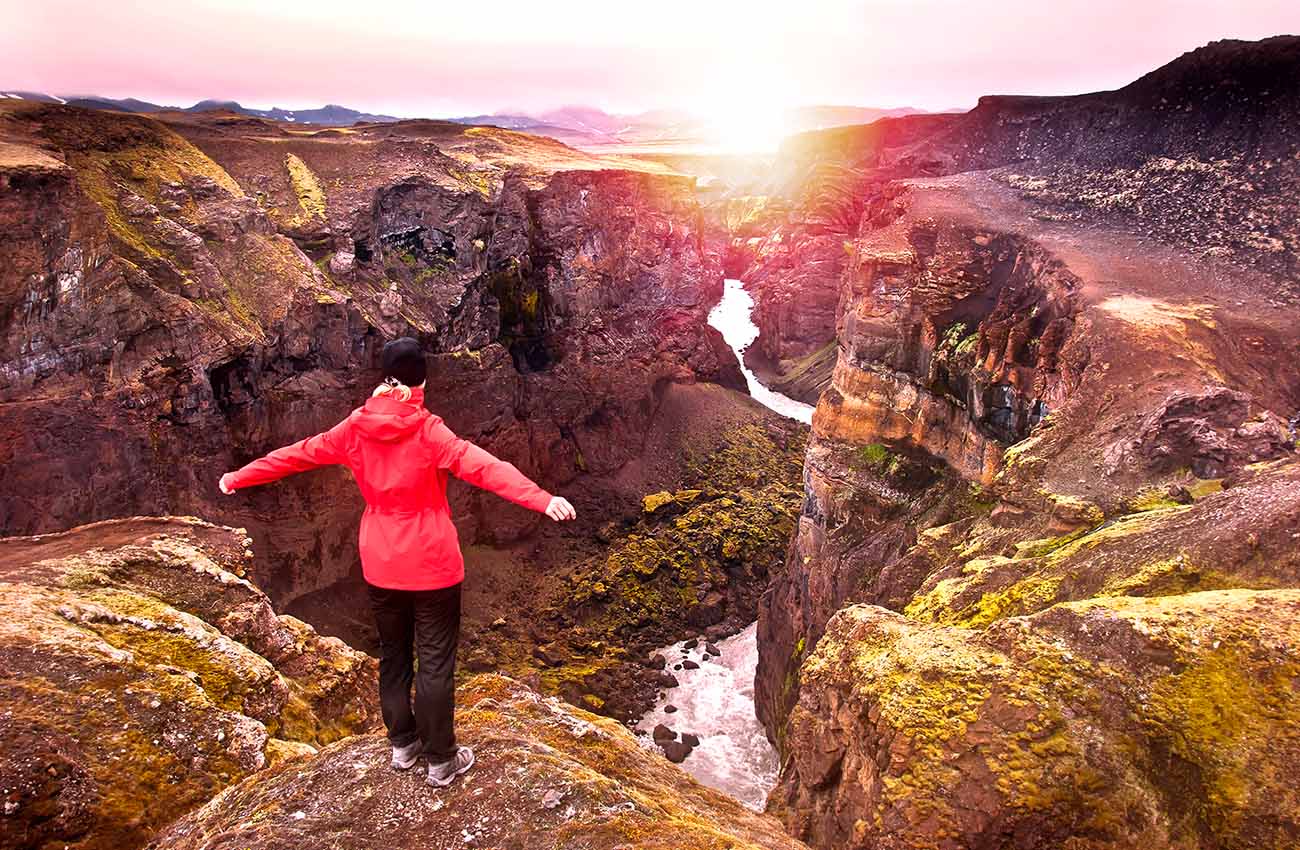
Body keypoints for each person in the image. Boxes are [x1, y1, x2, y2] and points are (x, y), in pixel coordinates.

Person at [218, 337, 576, 787]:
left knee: (393, 657)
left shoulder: (354, 428)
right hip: (432, 563)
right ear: (421, 378)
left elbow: (296, 455)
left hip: (381, 561)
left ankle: (403, 747)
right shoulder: (429, 431)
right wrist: (542, 500)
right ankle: (442, 759)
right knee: (435, 662)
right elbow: (486, 467)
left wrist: (237, 477)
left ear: (384, 378)